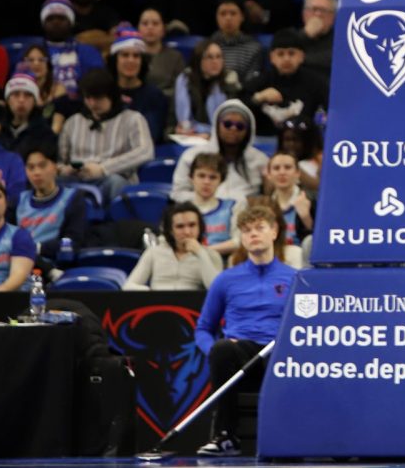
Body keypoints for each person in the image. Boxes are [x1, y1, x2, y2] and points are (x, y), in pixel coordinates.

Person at [194, 204, 296, 456]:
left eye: (260, 228)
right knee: (222, 350)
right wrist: (214, 351)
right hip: (241, 355)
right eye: (247, 230)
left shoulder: (295, 278)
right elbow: (204, 329)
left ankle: (296, 436)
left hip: (280, 355)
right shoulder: (226, 280)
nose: (253, 234)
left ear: (274, 232)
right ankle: (226, 436)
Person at [57, 69, 154, 204]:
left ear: (112, 96)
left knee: (116, 182)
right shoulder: (73, 122)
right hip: (77, 180)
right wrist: (65, 169)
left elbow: (145, 151)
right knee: (52, 181)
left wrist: (104, 168)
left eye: (98, 98)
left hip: (113, 177)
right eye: (88, 98)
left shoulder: (132, 119)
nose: (92, 104)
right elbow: (61, 161)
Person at [172, 100, 267, 201]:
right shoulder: (192, 156)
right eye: (227, 124)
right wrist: (210, 202)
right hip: (201, 213)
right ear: (217, 126)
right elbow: (178, 193)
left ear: (248, 131)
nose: (233, 129)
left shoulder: (260, 160)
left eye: (240, 126)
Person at [241, 28, 329, 133]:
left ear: (301, 56)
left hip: (304, 140)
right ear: (272, 57)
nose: (286, 59)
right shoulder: (261, 80)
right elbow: (236, 105)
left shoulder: (315, 82)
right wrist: (258, 98)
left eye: (291, 53)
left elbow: (330, 109)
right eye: (280, 54)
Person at [15, 144, 88, 268]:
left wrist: (39, 248)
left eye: (42, 166)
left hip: (55, 268)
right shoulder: (17, 201)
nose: (36, 172)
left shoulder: (73, 199)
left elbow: (72, 242)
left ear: (55, 167)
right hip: (19, 268)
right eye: (31, 167)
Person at [125, 202, 222, 291]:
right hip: (157, 305)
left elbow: (217, 290)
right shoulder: (153, 253)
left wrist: (200, 253)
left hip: (191, 307)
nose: (187, 232)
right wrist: (151, 294)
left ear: (200, 227)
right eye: (180, 226)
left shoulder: (211, 255)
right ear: (170, 230)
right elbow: (128, 286)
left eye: (192, 225)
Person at [109, 23, 168, 142]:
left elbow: (152, 134)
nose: (131, 60)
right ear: (115, 60)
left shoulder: (154, 95)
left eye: (136, 56)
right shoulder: (105, 93)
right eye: (125, 55)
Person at [41, 0, 105, 100]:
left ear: (71, 22)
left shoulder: (88, 52)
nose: (56, 22)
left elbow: (98, 84)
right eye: (51, 18)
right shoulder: (33, 52)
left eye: (61, 18)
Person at [175, 40, 241, 135]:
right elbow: (178, 121)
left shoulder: (229, 81)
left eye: (218, 57)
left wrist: (207, 133)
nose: (215, 62)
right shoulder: (185, 81)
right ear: (198, 60)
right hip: (189, 135)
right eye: (209, 57)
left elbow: (231, 122)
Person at [186, 153, 241, 259]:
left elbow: (238, 241)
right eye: (201, 176)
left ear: (221, 180)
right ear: (191, 177)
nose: (206, 182)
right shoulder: (180, 211)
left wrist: (202, 251)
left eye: (213, 177)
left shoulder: (232, 207)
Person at [0, 70, 57, 158]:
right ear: (7, 100)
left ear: (34, 101)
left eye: (27, 95)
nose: (21, 100)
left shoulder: (45, 133)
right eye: (16, 94)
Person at [263, 152, 312, 247]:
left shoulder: (312, 200)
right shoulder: (263, 205)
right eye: (276, 168)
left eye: (288, 167)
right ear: (269, 174)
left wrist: (306, 217)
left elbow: (316, 239)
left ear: (298, 173)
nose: (282, 172)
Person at [18, 44, 69, 133]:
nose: (36, 63)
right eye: (30, 60)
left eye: (41, 60)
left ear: (48, 64)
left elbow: (58, 122)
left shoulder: (59, 89)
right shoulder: (18, 88)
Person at [138, 8, 186, 99]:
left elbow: (181, 90)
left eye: (155, 23)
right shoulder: (131, 56)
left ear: (163, 29)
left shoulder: (175, 57)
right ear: (138, 29)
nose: (150, 27)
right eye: (145, 23)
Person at [297, 0, 336, 83]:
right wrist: (305, 35)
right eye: (314, 9)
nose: (318, 14)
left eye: (324, 10)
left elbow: (332, 60)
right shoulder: (291, 37)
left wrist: (299, 60)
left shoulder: (340, 40)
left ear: (333, 17)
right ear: (304, 14)